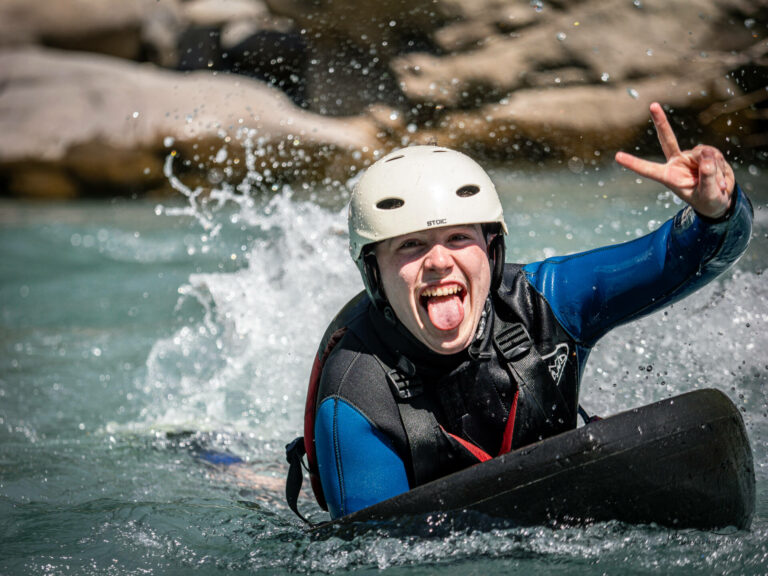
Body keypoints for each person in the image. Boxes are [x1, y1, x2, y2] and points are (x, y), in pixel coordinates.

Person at [285, 102, 753, 521]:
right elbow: (371, 558)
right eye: (410, 246)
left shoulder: (547, 301)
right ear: (373, 273)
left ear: (492, 249)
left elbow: (682, 259)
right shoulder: (354, 400)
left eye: (459, 238)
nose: (440, 261)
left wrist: (716, 213)